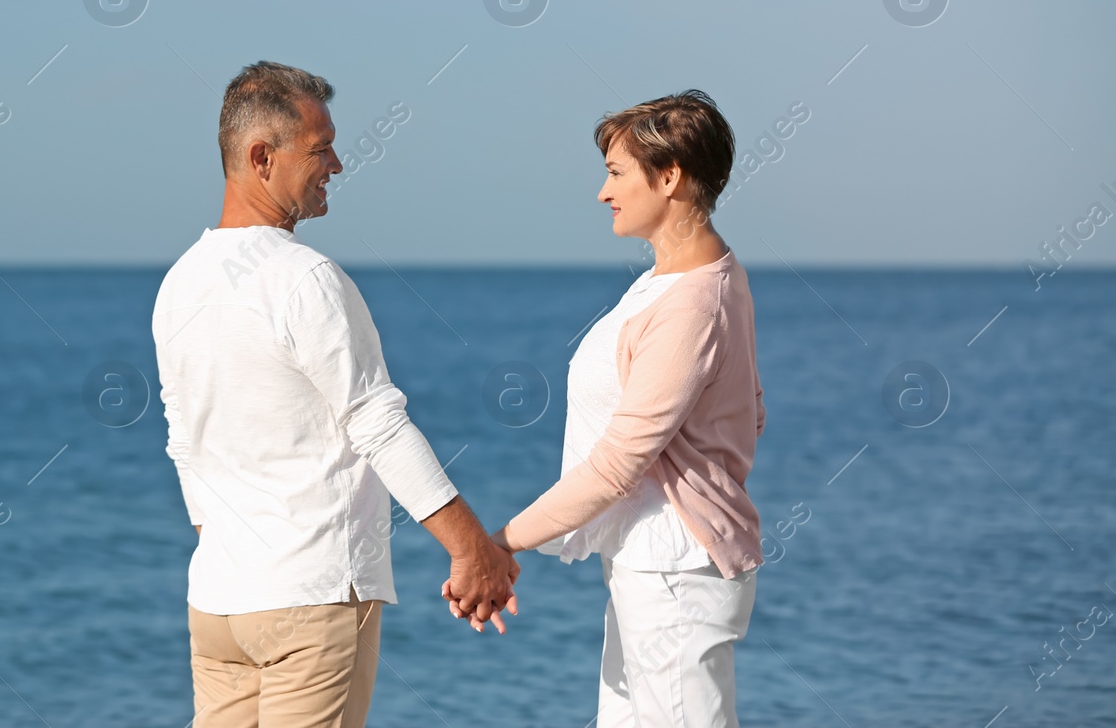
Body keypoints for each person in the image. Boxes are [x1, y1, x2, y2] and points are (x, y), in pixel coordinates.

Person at [154, 61, 518, 728]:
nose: (339, 164)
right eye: (320, 149)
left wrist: (239, 539)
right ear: (262, 157)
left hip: (219, 602)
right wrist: (470, 548)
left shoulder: (180, 281)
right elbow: (376, 422)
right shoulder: (305, 277)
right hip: (309, 600)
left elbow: (183, 441)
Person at [459, 90, 766, 727]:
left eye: (616, 172)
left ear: (671, 176)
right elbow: (749, 410)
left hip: (673, 571)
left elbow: (616, 466)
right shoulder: (677, 279)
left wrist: (496, 546)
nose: (604, 192)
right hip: (650, 563)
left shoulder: (690, 303)